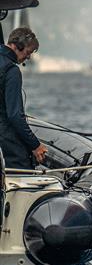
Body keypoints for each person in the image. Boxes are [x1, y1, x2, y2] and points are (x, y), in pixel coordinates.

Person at [0, 27, 46, 169]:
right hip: (4, 137)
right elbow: (15, 116)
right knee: (23, 165)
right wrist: (35, 145)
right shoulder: (11, 71)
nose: (28, 57)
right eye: (28, 52)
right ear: (16, 46)